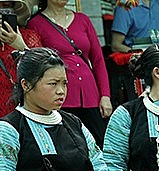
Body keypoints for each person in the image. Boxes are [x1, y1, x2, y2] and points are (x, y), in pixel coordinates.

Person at [27, 0, 112, 147]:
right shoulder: (36, 23)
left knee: (99, 143)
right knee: (66, 145)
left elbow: (98, 60)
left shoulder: (83, 19)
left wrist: (105, 95)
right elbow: (36, 62)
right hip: (59, 95)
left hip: (90, 94)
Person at [0, 0, 42, 117]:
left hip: (21, 107)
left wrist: (20, 46)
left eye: (7, 6)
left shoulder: (29, 36)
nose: (2, 10)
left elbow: (43, 70)